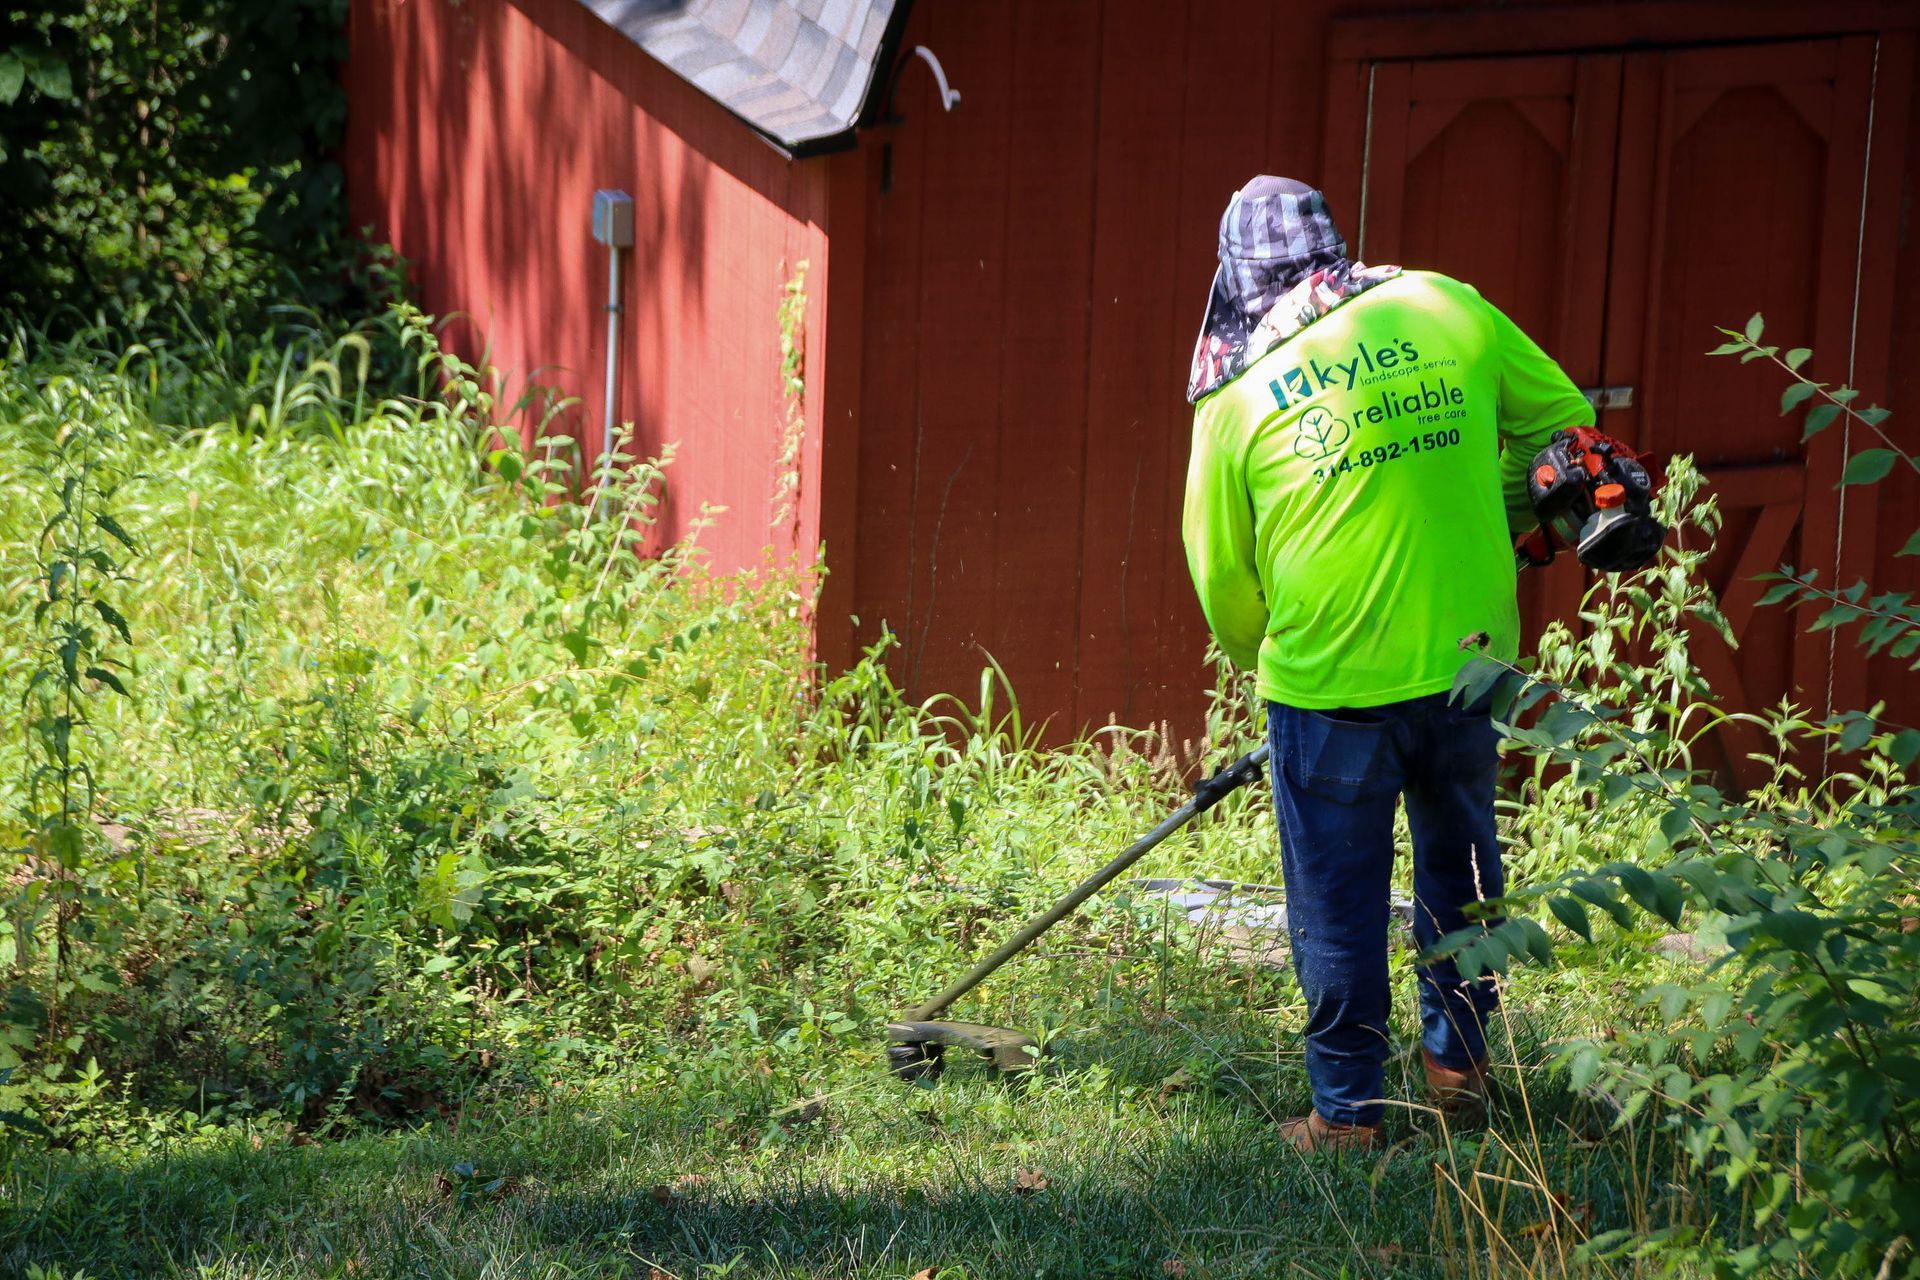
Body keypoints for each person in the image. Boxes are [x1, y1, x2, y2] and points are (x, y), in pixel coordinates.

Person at [1181, 176, 1594, 1153]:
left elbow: (1221, 579)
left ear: (1239, 278)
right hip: (1469, 665)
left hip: (1330, 686)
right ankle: (1458, 1070)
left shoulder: (1236, 397)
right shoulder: (1448, 303)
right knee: (1460, 870)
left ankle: (1346, 1115)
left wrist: (1270, 666)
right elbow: (1565, 424)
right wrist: (1503, 513)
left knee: (1338, 902)